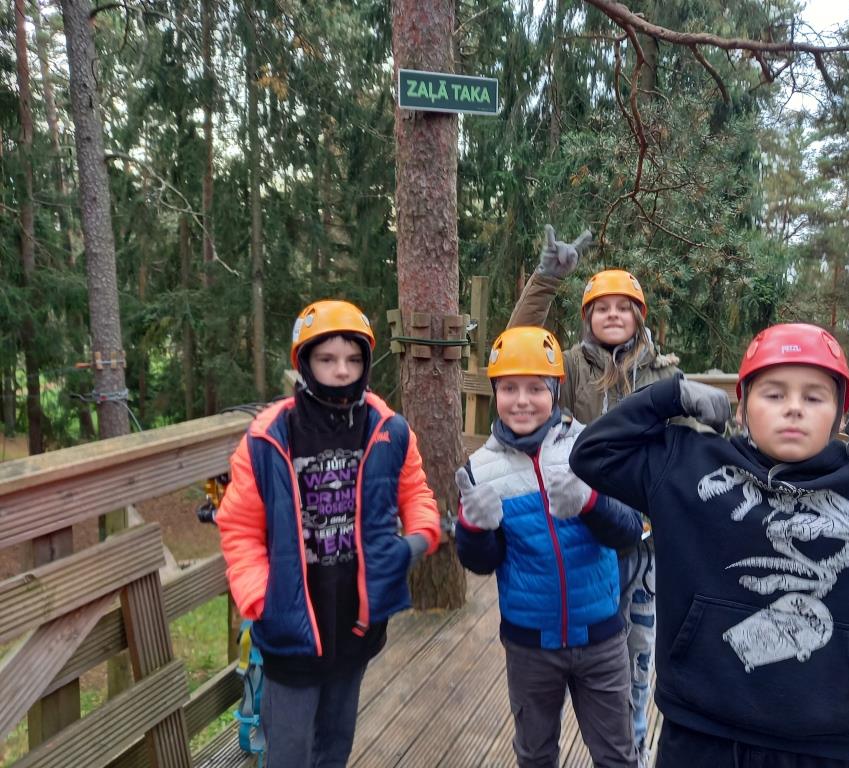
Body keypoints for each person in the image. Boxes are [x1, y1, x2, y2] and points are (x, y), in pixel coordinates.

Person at [569, 322, 849, 767]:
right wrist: (667, 397)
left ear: (841, 415)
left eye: (814, 397)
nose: (793, 408)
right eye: (773, 394)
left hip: (820, 738)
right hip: (699, 727)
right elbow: (592, 454)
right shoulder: (687, 465)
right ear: (742, 409)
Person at [216, 299, 441, 768]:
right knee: (289, 750)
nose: (341, 370)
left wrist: (419, 538)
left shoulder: (387, 428)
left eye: (353, 359)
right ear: (304, 362)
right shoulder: (268, 437)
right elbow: (239, 527)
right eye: (327, 358)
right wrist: (259, 598)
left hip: (355, 618)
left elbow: (415, 492)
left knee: (335, 741)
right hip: (291, 621)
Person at [507, 225, 684, 763]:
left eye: (623, 307)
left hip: (644, 540)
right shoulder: (566, 367)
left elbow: (683, 449)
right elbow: (517, 349)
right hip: (583, 535)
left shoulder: (664, 376)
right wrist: (546, 280)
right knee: (591, 655)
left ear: (639, 316)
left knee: (637, 656)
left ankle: (630, 751)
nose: (612, 315)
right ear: (586, 317)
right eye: (601, 307)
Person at [455, 325, 643, 768]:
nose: (522, 401)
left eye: (536, 388)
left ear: (555, 390)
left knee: (617, 755)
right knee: (535, 754)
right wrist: (473, 528)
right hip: (529, 643)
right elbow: (483, 562)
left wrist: (590, 502)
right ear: (495, 392)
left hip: (600, 636)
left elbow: (629, 532)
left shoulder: (589, 448)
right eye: (509, 388)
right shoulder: (480, 468)